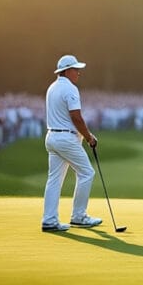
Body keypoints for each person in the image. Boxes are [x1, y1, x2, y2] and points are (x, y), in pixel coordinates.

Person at [41, 54, 101, 232]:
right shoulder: (70, 88)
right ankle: (79, 216)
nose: (78, 73)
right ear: (67, 71)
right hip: (66, 139)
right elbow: (76, 117)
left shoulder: (52, 87)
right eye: (76, 69)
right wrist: (89, 137)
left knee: (54, 180)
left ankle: (49, 220)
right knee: (87, 173)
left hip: (52, 137)